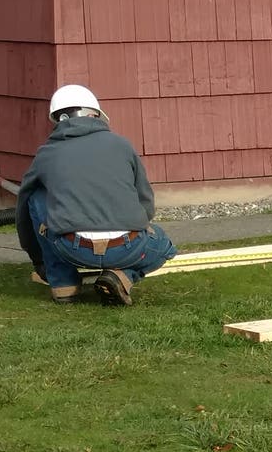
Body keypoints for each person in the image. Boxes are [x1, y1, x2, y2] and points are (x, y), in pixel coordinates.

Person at [16, 83, 175, 304]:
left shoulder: (47, 154)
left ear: (59, 120)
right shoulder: (122, 145)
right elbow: (145, 201)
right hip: (127, 247)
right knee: (164, 244)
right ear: (95, 115)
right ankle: (121, 276)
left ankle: (63, 284)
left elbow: (24, 210)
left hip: (72, 248)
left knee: (36, 197)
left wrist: (38, 261)